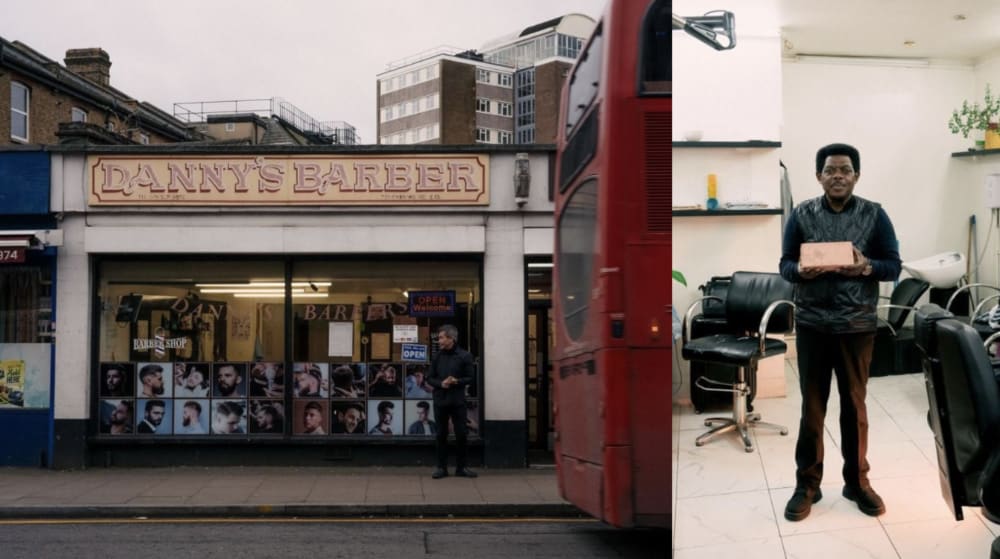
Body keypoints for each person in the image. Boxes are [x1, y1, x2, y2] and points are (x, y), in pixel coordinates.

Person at [779, 143, 901, 521]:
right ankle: (807, 485)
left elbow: (893, 266)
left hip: (856, 326)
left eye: (845, 170)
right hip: (814, 325)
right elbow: (784, 264)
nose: (837, 176)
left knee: (854, 407)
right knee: (812, 410)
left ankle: (857, 482)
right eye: (830, 170)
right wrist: (800, 271)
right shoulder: (801, 214)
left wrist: (866, 267)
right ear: (819, 176)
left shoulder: (875, 215)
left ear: (856, 175)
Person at [426, 324, 477, 478]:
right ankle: (441, 468)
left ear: (451, 338)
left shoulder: (465, 356)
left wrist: (456, 381)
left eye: (441, 337)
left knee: (461, 434)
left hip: (457, 401)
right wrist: (441, 384)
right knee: (441, 435)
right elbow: (429, 378)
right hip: (440, 401)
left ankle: (462, 468)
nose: (439, 340)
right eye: (439, 338)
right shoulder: (436, 356)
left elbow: (470, 378)